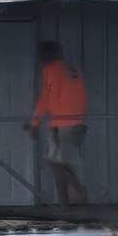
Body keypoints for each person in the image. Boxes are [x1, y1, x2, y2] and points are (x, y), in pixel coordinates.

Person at [27, 40, 88, 206]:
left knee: (55, 163)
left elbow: (45, 98)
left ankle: (76, 189)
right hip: (76, 122)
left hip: (60, 124)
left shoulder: (51, 69)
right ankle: (64, 204)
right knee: (58, 163)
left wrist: (34, 123)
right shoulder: (72, 69)